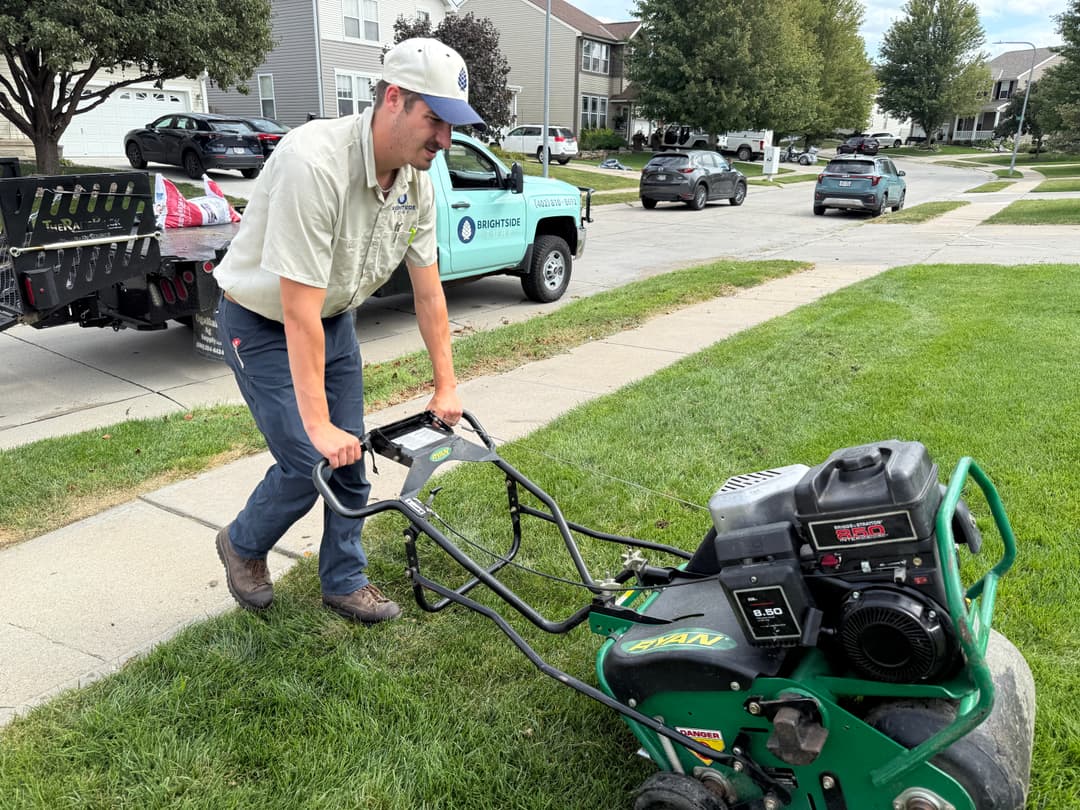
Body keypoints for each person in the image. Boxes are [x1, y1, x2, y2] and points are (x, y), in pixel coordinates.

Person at [212, 38, 484, 624]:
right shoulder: (314, 164)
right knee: (309, 461)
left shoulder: (417, 180)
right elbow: (298, 310)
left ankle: (343, 579)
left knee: (352, 460)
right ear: (394, 99)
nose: (444, 141)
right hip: (261, 323)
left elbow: (429, 290)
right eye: (434, 120)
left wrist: (447, 386)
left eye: (452, 125)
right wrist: (317, 424)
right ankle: (242, 542)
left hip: (333, 321)